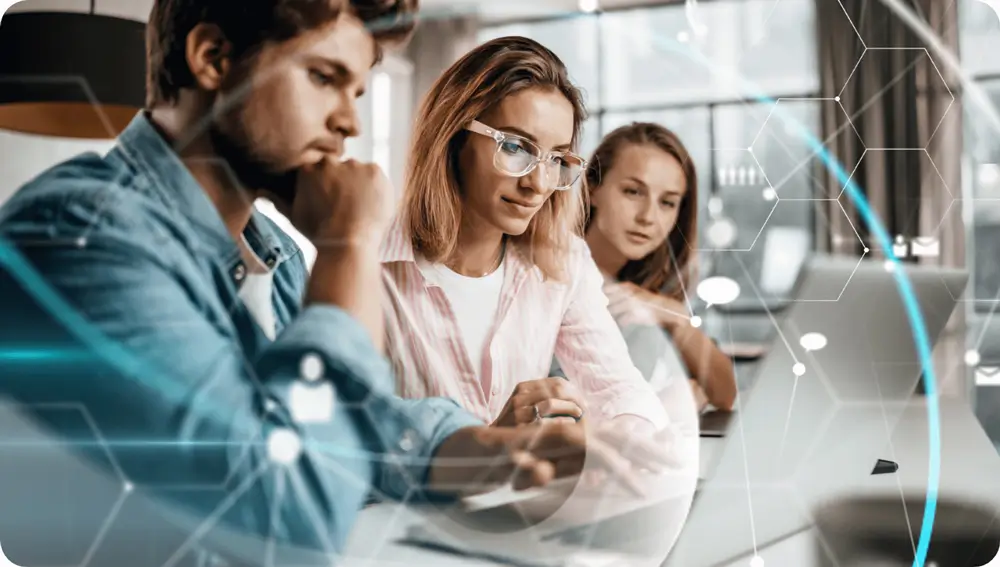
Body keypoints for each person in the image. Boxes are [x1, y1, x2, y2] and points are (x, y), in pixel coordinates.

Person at [0, 3, 667, 565]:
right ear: (211, 59)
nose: (350, 122)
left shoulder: (273, 259)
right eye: (325, 78)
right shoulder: (83, 231)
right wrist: (346, 244)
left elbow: (364, 426)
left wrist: (479, 449)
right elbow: (283, 512)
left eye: (358, 90)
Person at [380, 36, 670, 433]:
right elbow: (350, 436)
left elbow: (620, 389)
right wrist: (488, 447)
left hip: (525, 495)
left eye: (556, 159)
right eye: (516, 147)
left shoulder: (562, 262)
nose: (538, 183)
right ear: (453, 139)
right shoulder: (369, 265)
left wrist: (627, 441)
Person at [582, 122, 737, 412]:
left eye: (667, 203)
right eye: (633, 192)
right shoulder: (556, 279)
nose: (648, 217)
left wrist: (674, 315)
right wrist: (666, 405)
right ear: (593, 187)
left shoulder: (647, 292)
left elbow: (725, 394)